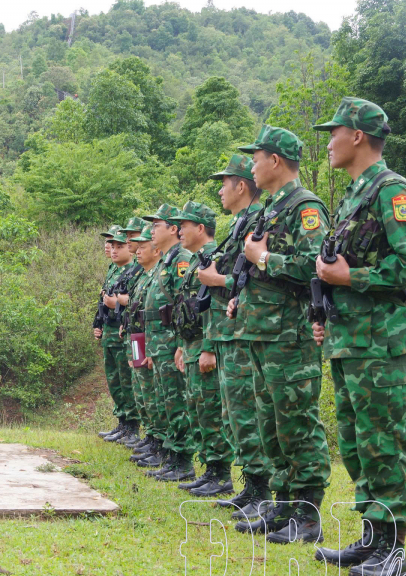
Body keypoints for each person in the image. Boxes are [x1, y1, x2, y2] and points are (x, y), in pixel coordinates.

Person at [310, 98, 406, 576]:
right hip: (350, 340)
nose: (329, 143)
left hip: (382, 343)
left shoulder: (391, 191)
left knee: (384, 443)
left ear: (357, 135)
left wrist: (351, 278)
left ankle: (394, 551)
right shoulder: (354, 195)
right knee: (358, 443)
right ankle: (372, 538)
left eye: (334, 132)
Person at [227, 125, 332, 544]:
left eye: (256, 158)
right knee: (271, 423)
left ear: (275, 160)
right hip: (263, 333)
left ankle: (306, 514)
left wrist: (265, 257)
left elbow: (315, 266)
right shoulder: (272, 207)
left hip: (290, 336)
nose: (252, 166)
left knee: (296, 422)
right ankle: (283, 506)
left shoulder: (306, 206)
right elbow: (260, 270)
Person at [197, 155, 271, 518]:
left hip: (246, 332)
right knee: (235, 413)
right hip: (233, 330)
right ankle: (252, 487)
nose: (220, 191)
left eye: (224, 184)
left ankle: (262, 490)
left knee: (248, 412)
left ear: (241, 186)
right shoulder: (241, 222)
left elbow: (252, 277)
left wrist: (217, 281)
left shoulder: (259, 219)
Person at [170, 201, 235, 497]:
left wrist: (209, 347)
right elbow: (190, 309)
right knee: (198, 410)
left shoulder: (214, 258)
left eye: (184, 225)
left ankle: (221, 474)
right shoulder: (197, 260)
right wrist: (184, 346)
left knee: (210, 410)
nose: (179, 230)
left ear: (200, 228)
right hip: (193, 345)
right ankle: (210, 470)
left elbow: (217, 306)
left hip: (206, 346)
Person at [137, 205, 194, 478]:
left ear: (173, 229)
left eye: (156, 226)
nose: (151, 231)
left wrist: (181, 344)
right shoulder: (165, 260)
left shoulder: (181, 259)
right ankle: (172, 455)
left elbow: (184, 304)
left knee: (176, 402)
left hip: (172, 344)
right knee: (165, 402)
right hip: (160, 344)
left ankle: (182, 461)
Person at [123, 224, 161, 460]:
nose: (137, 250)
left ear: (156, 251)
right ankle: (152, 437)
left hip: (153, 341)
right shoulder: (144, 277)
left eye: (143, 246)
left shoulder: (158, 274)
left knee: (154, 394)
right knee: (143, 391)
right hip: (139, 338)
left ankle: (160, 443)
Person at [98, 231, 139, 443]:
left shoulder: (134, 270)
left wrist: (117, 305)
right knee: (115, 380)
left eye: (119, 246)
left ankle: (132, 426)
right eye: (111, 246)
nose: (114, 250)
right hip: (110, 332)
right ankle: (123, 422)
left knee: (126, 380)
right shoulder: (113, 269)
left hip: (123, 333)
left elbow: (134, 302)